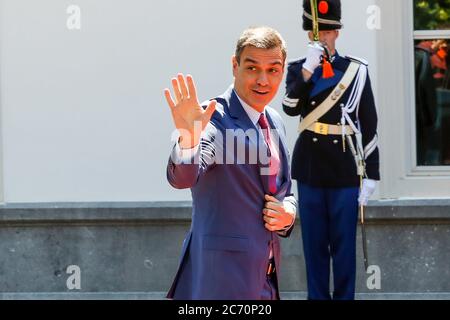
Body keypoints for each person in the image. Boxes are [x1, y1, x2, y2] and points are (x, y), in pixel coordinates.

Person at [165, 26, 297, 300]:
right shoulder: (212, 117)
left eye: (273, 70)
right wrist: (188, 138)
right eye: (252, 68)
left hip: (268, 280)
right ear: (235, 66)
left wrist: (288, 213)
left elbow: (285, 191)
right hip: (221, 280)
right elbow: (184, 178)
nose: (263, 80)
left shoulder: (275, 121)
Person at [282, 0, 380, 300]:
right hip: (310, 166)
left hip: (344, 168)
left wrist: (373, 174)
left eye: (325, 31)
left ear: (336, 31)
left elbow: (369, 125)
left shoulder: (356, 70)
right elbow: (289, 108)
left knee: (343, 248)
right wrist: (308, 71)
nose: (320, 38)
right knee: (314, 247)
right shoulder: (299, 69)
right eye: (315, 33)